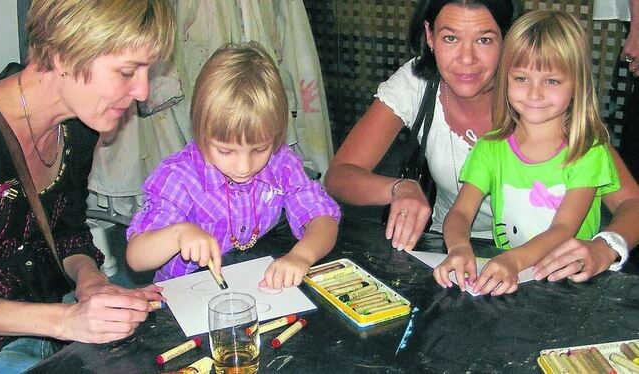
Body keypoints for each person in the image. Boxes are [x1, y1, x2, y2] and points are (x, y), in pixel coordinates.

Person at [323, 0, 639, 282]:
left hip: (544, 264)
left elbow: (630, 202)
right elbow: (339, 175)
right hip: (449, 250)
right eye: (450, 38)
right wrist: (399, 187)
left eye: (485, 39)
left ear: (507, 40)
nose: (466, 59)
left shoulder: (542, 101)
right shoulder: (421, 84)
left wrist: (606, 246)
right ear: (430, 37)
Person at [0, 0, 175, 372]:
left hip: (47, 326)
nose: (143, 91)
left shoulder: (77, 127)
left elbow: (67, 231)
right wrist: (65, 320)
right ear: (64, 55)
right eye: (128, 70)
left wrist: (91, 281)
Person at [125, 42, 340, 290]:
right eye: (225, 151)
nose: (243, 166)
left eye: (259, 149)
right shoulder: (179, 178)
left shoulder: (281, 163)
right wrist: (179, 234)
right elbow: (136, 257)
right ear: (201, 131)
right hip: (183, 298)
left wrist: (302, 255)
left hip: (249, 283)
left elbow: (323, 218)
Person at [435, 10, 619, 296]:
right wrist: (459, 247)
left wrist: (513, 259)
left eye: (552, 81)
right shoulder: (490, 148)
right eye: (521, 78)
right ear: (505, 79)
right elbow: (460, 211)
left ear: (577, 85)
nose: (535, 94)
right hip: (510, 280)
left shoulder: (588, 152)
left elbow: (563, 229)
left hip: (570, 285)